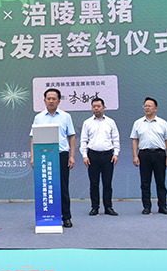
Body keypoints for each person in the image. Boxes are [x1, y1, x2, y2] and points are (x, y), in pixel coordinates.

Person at [30, 88, 76, 228]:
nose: (51, 101)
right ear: (44, 101)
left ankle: (66, 217)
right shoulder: (39, 118)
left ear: (59, 101)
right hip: (43, 156)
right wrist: (33, 157)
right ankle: (46, 216)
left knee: (63, 187)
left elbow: (71, 136)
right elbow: (33, 138)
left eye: (54, 99)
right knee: (45, 186)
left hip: (61, 155)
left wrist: (72, 156)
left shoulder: (66, 116)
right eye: (48, 99)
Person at [130, 97, 167, 215]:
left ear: (155, 108)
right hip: (144, 154)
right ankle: (147, 207)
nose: (147, 108)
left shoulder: (162, 123)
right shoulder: (138, 123)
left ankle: (163, 206)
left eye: (149, 106)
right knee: (145, 182)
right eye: (145, 106)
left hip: (159, 154)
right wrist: (135, 156)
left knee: (161, 182)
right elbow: (135, 140)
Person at [80, 97, 120, 216]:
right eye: (94, 106)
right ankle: (95, 207)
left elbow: (116, 139)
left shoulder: (110, 122)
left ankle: (108, 207)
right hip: (92, 156)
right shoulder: (87, 123)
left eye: (98, 106)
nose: (96, 108)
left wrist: (116, 154)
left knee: (107, 183)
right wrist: (84, 156)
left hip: (108, 156)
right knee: (94, 184)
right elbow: (83, 140)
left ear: (104, 108)